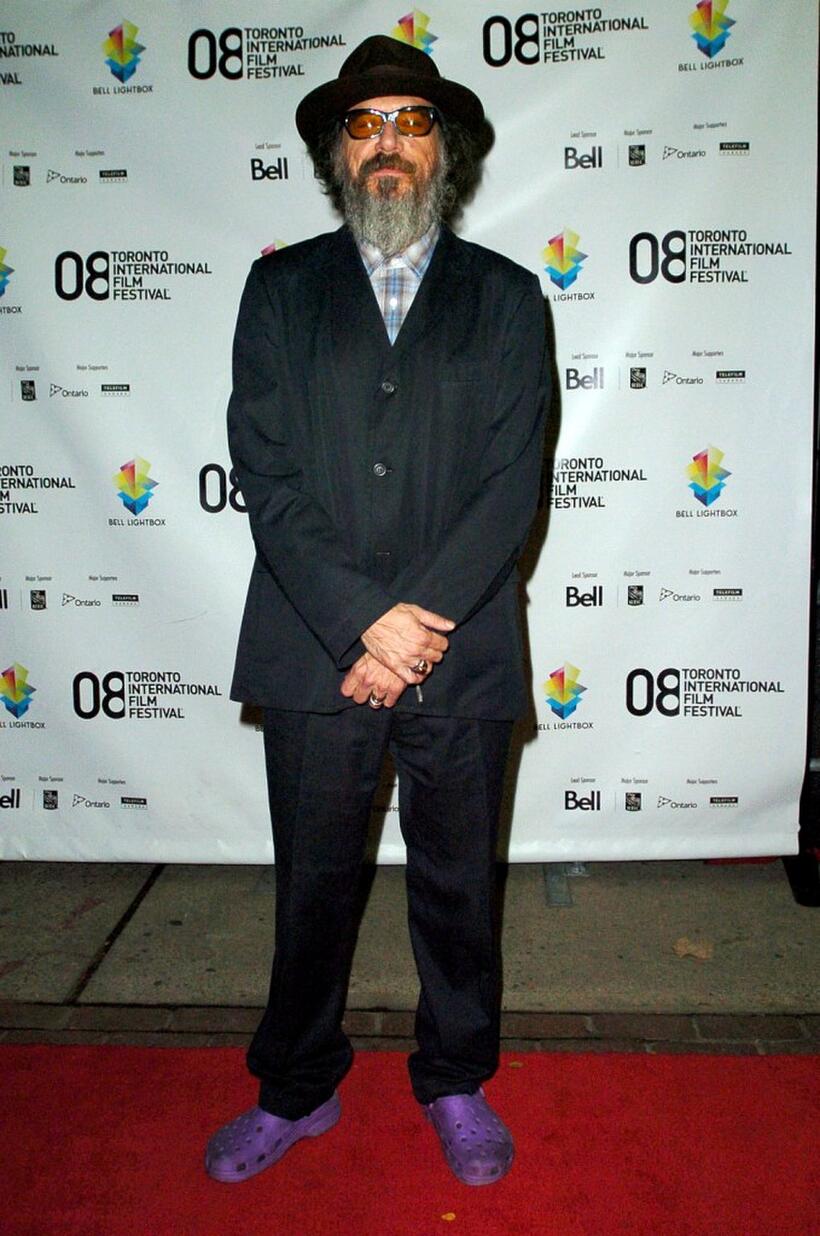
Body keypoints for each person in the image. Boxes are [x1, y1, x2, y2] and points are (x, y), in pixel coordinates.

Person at [205, 34, 549, 1187]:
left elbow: (513, 484)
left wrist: (414, 626)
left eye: (409, 121)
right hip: (315, 649)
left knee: (458, 890)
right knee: (311, 887)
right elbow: (266, 468)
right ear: (337, 154)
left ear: (442, 150)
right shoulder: (281, 288)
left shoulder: (506, 297)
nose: (387, 142)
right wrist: (365, 625)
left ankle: (455, 1078)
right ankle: (296, 1088)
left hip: (462, 651)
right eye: (364, 124)